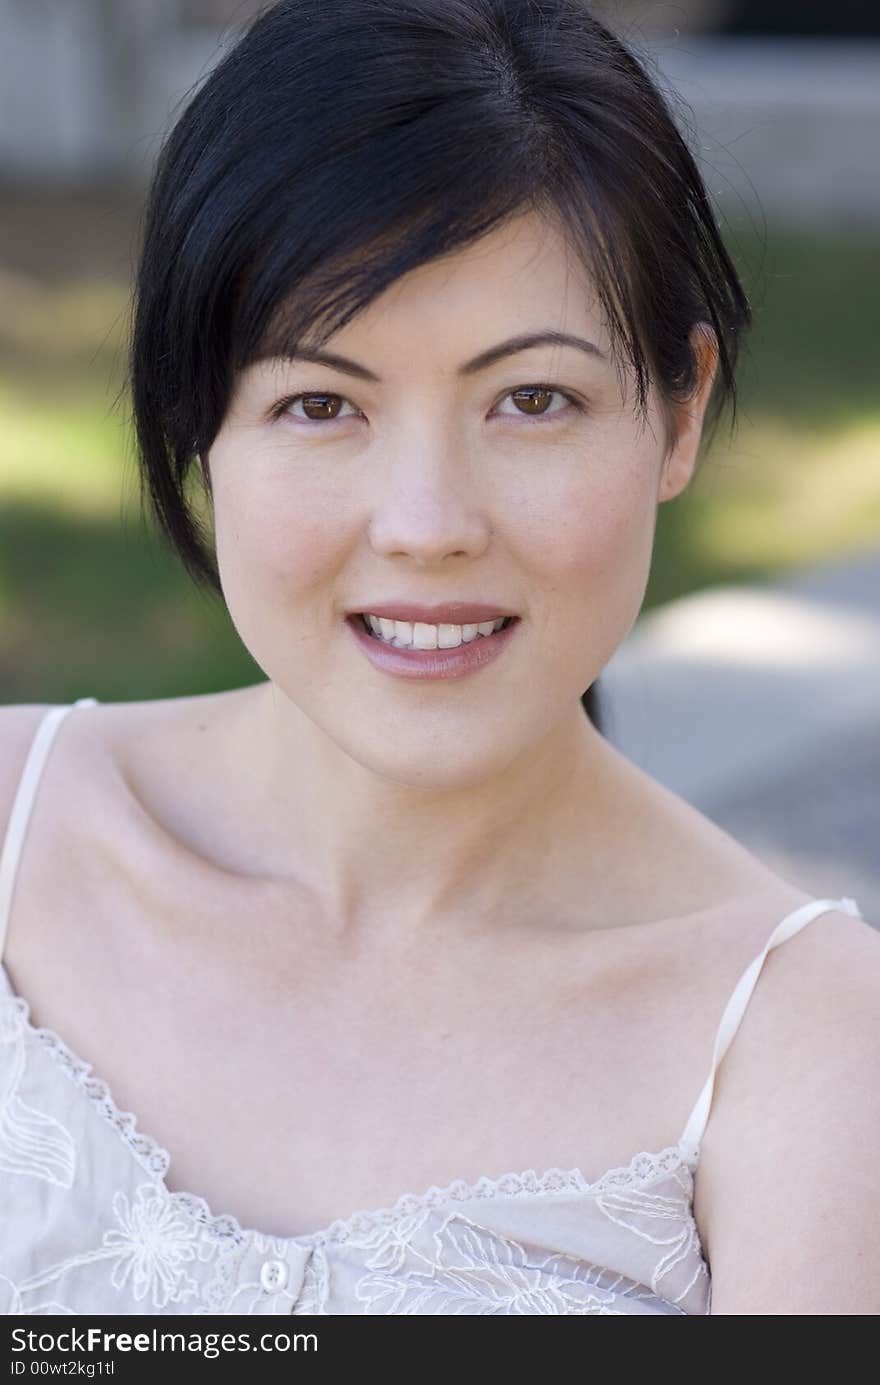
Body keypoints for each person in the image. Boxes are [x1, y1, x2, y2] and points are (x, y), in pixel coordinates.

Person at [0, 0, 876, 1318]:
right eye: (320, 402)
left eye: (532, 400)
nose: (425, 526)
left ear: (679, 409)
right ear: (199, 415)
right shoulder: (11, 832)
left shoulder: (809, 1049)